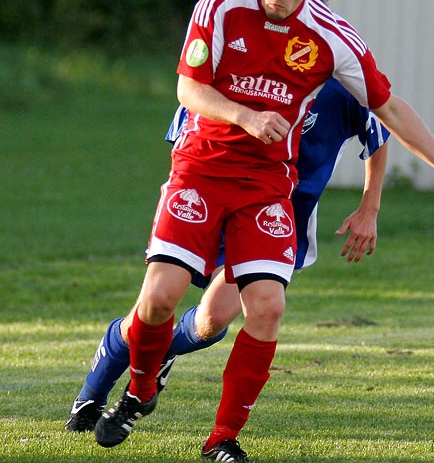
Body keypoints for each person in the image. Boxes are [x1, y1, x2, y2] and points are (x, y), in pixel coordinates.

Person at [89, 0, 434, 462]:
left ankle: (223, 439)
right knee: (161, 296)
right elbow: (187, 87)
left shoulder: (331, 36)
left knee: (267, 307)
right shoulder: (221, 2)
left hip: (265, 185)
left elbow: (390, 108)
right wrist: (244, 115)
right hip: (202, 167)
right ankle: (140, 390)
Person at [65, 76, 390, 434]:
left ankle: (162, 354)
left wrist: (368, 208)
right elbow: (184, 136)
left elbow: (380, 131)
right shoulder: (230, 68)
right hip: (209, 200)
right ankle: (90, 396)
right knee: (154, 307)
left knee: (213, 322)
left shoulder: (339, 79)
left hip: (273, 217)